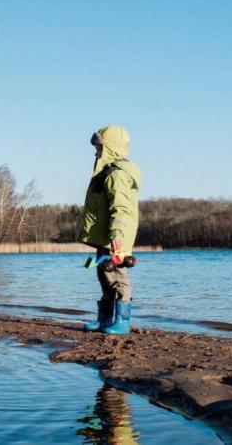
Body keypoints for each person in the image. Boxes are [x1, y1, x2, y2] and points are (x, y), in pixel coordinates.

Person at [80, 125, 141, 335]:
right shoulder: (106, 172)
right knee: (103, 274)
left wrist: (117, 235)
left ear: (110, 147)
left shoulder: (117, 175)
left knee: (117, 276)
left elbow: (122, 209)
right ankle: (104, 319)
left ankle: (122, 322)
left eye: (98, 146)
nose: (95, 150)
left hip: (115, 238)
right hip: (104, 237)